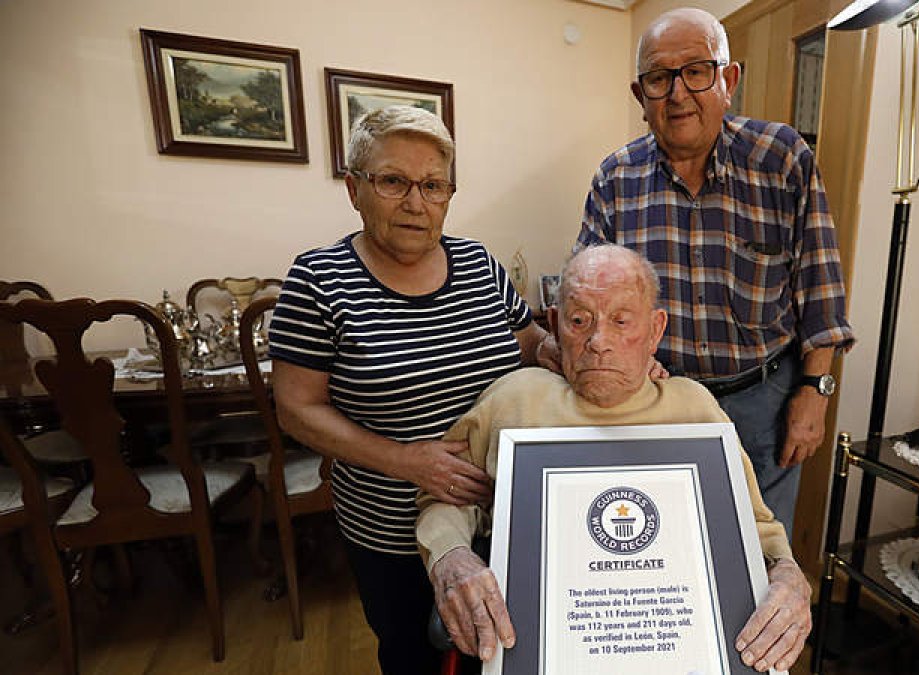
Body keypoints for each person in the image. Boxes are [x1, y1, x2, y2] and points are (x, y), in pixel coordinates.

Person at [416, 245, 812, 673]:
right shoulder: (515, 400)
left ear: (655, 330)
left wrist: (788, 575)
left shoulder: (693, 410)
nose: (599, 343)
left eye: (622, 321)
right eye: (579, 321)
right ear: (554, 325)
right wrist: (451, 556)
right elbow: (445, 501)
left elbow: (755, 528)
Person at [269, 105, 550, 674]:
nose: (416, 203)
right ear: (354, 188)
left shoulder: (478, 263)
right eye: (393, 181)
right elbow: (296, 410)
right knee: (414, 657)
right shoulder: (319, 280)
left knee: (505, 657)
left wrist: (598, 354)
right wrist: (407, 462)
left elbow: (532, 343)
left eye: (433, 185)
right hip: (392, 534)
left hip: (501, 519)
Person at [576, 7, 855, 538]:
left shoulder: (782, 159)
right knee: (666, 547)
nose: (678, 94)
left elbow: (821, 288)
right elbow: (586, 295)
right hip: (659, 399)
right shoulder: (615, 177)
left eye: (697, 71)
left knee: (758, 556)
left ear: (729, 80)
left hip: (764, 402)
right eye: (659, 78)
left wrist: (815, 392)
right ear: (641, 97)